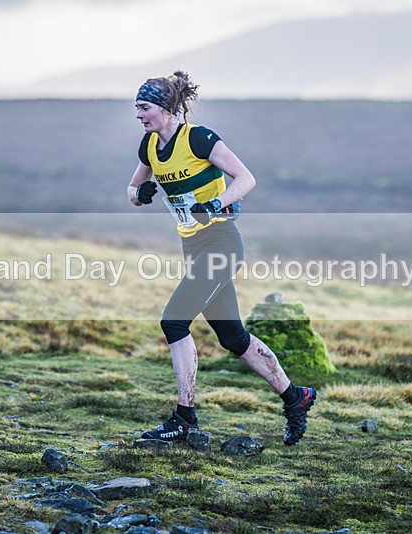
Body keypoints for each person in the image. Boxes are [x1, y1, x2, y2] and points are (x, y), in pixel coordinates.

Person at [127, 71, 316, 446]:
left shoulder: (198, 138)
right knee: (233, 337)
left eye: (145, 107)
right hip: (194, 247)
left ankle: (185, 418)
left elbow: (245, 179)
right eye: (137, 108)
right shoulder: (149, 146)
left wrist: (216, 203)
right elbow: (132, 188)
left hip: (222, 243)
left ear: (166, 108)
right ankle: (295, 397)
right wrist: (141, 194)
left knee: (173, 321)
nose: (139, 114)